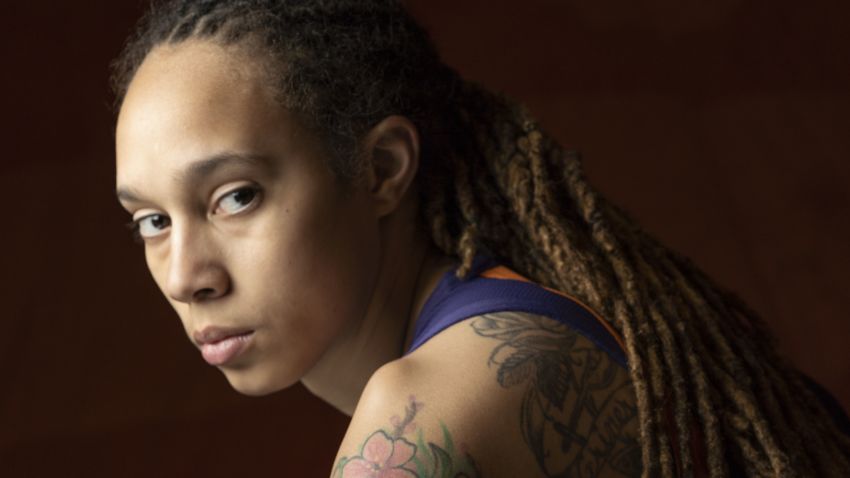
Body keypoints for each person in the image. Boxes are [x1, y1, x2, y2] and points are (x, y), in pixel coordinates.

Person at [110, 1, 850, 476]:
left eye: (236, 197)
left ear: (380, 170)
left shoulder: (431, 417)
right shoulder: (514, 315)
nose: (184, 275)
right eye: (152, 220)